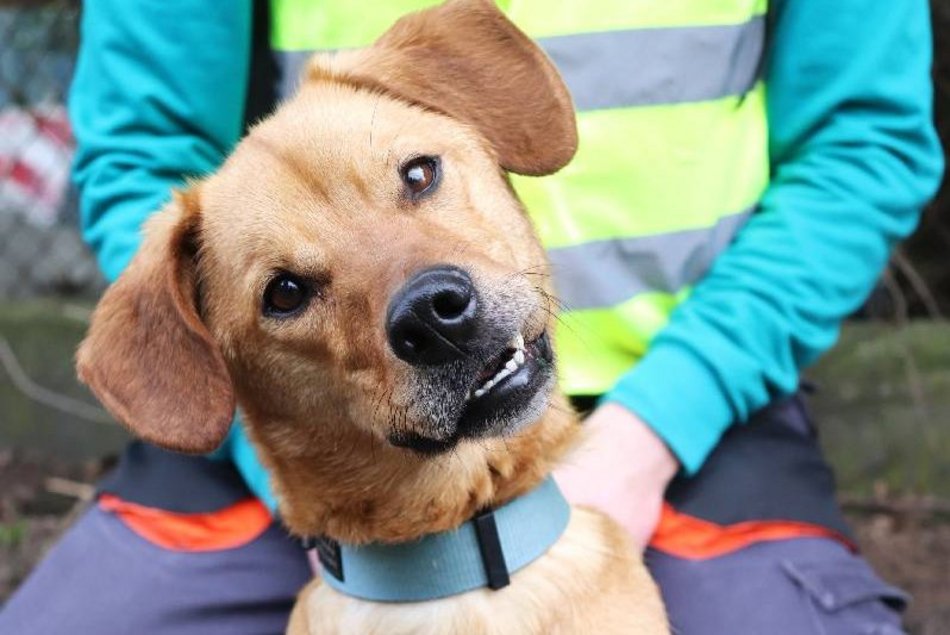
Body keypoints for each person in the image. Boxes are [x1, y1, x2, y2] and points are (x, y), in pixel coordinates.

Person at [0, 1, 942, 633]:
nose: (426, 297)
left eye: (419, 177)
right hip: (326, 443)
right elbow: (145, 153)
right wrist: (309, 472)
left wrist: (659, 422)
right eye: (290, 289)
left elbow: (865, 144)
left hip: (701, 407)